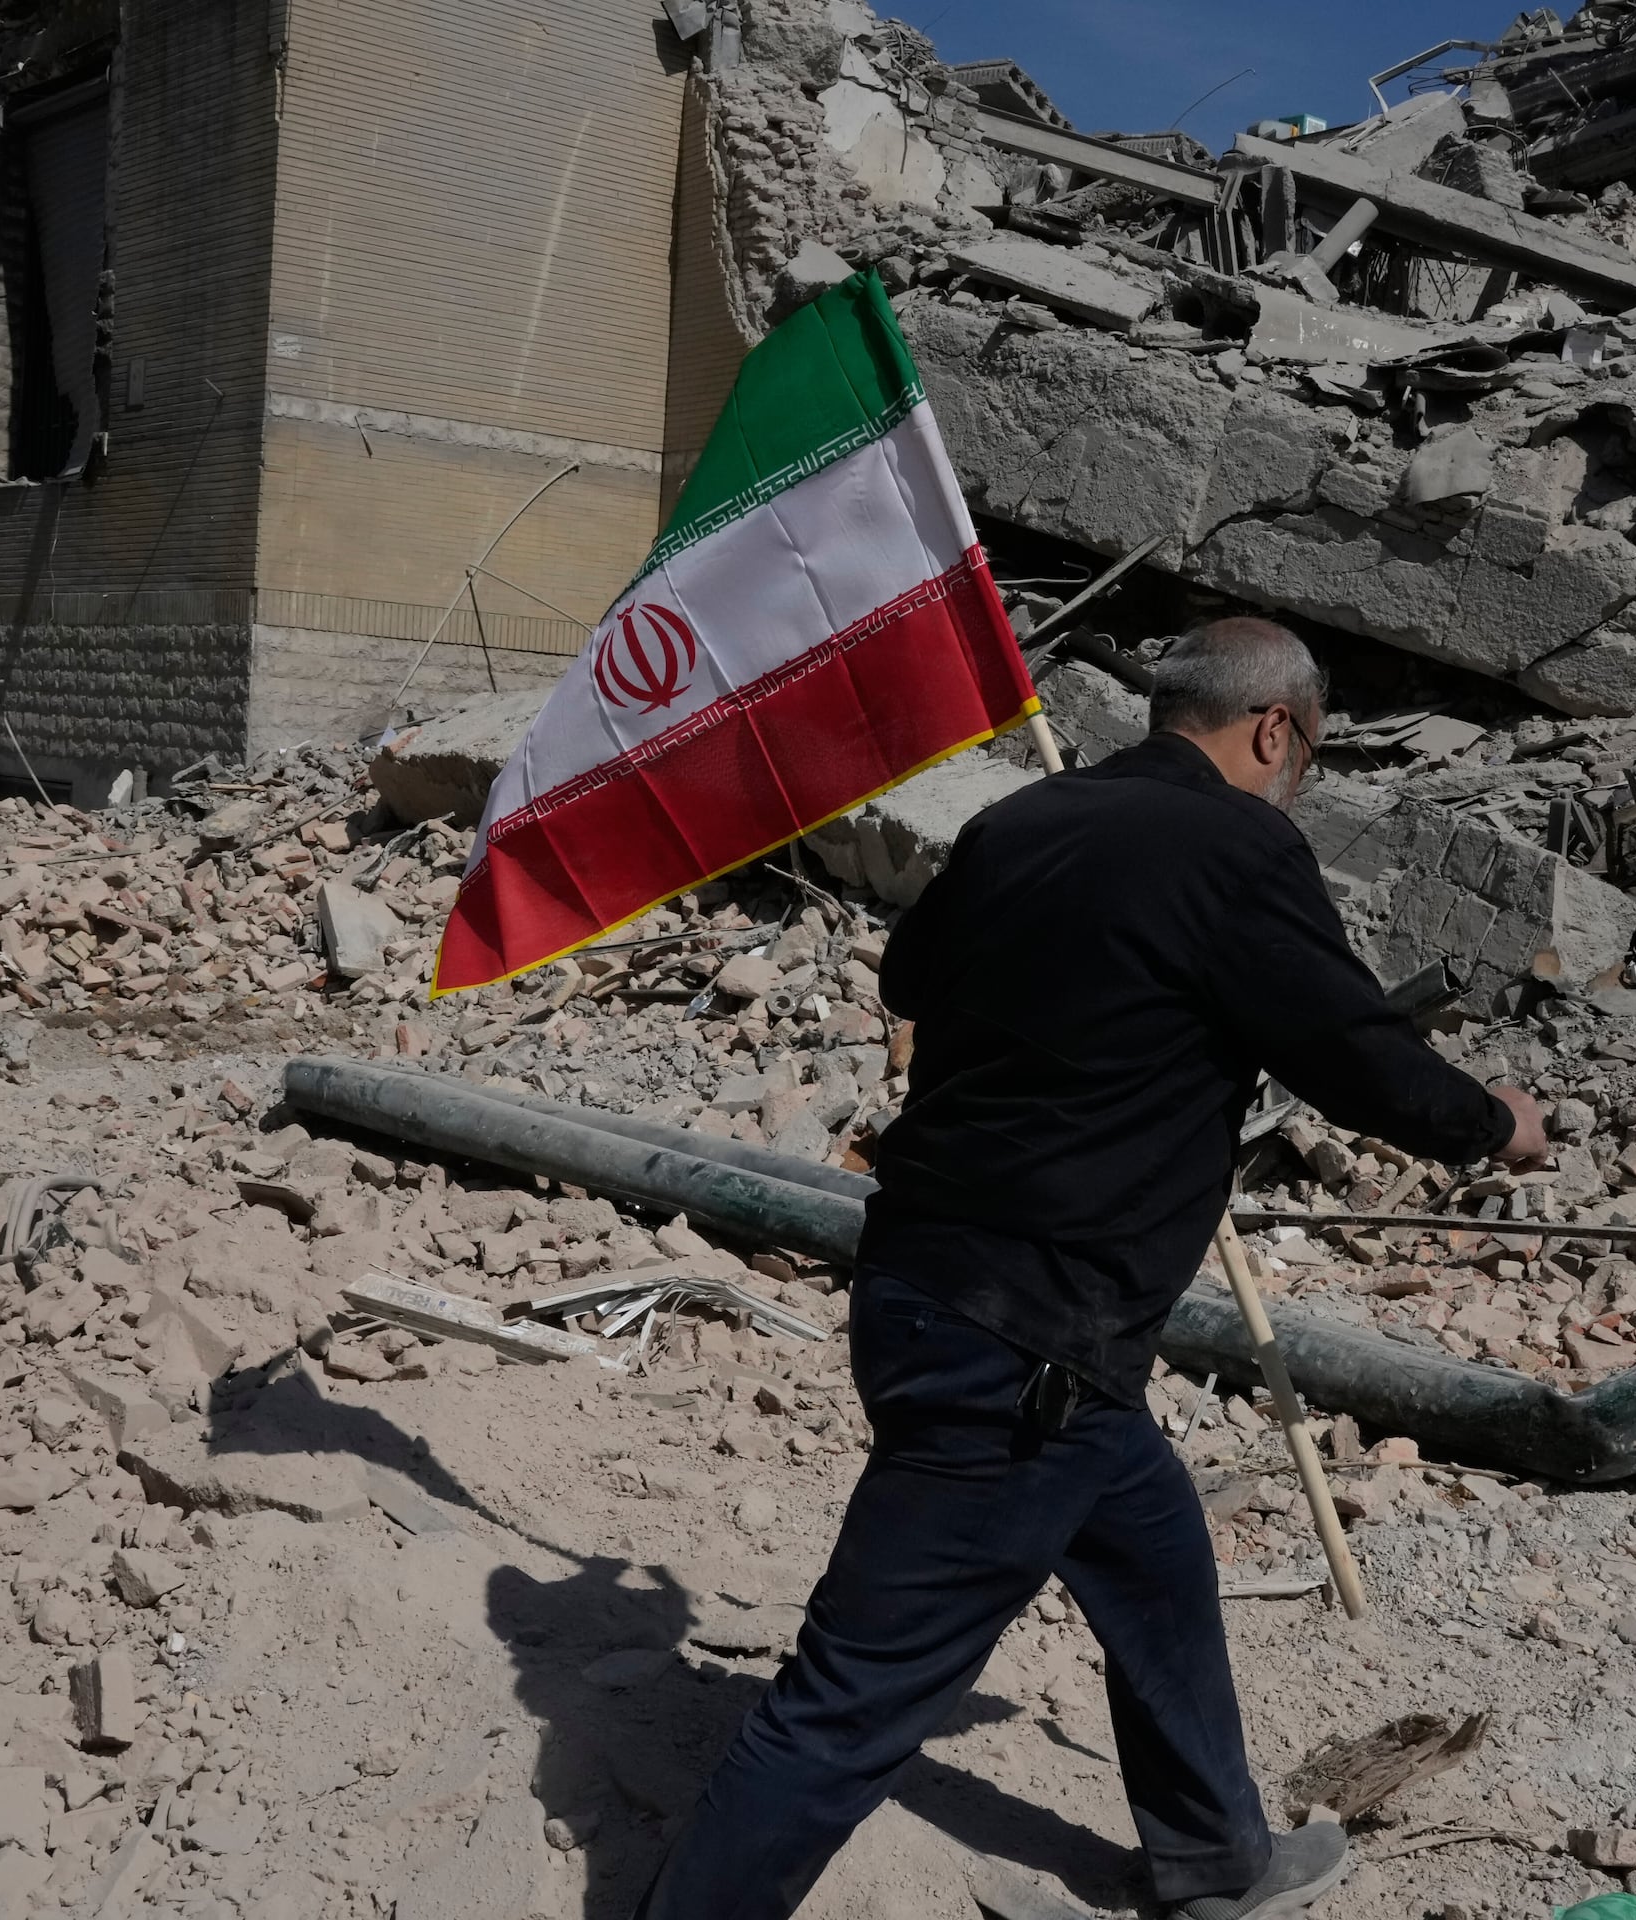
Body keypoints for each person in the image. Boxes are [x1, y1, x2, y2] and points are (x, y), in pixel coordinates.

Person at [637, 617, 1548, 1920]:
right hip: (1026, 1345)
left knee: (1156, 1554)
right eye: (1311, 750)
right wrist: (1490, 1125)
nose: (1301, 777)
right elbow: (1352, 1051)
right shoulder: (1241, 846)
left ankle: (1213, 1859)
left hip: (926, 1292)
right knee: (848, 1700)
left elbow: (912, 970)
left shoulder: (1026, 821)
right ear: (1275, 729)